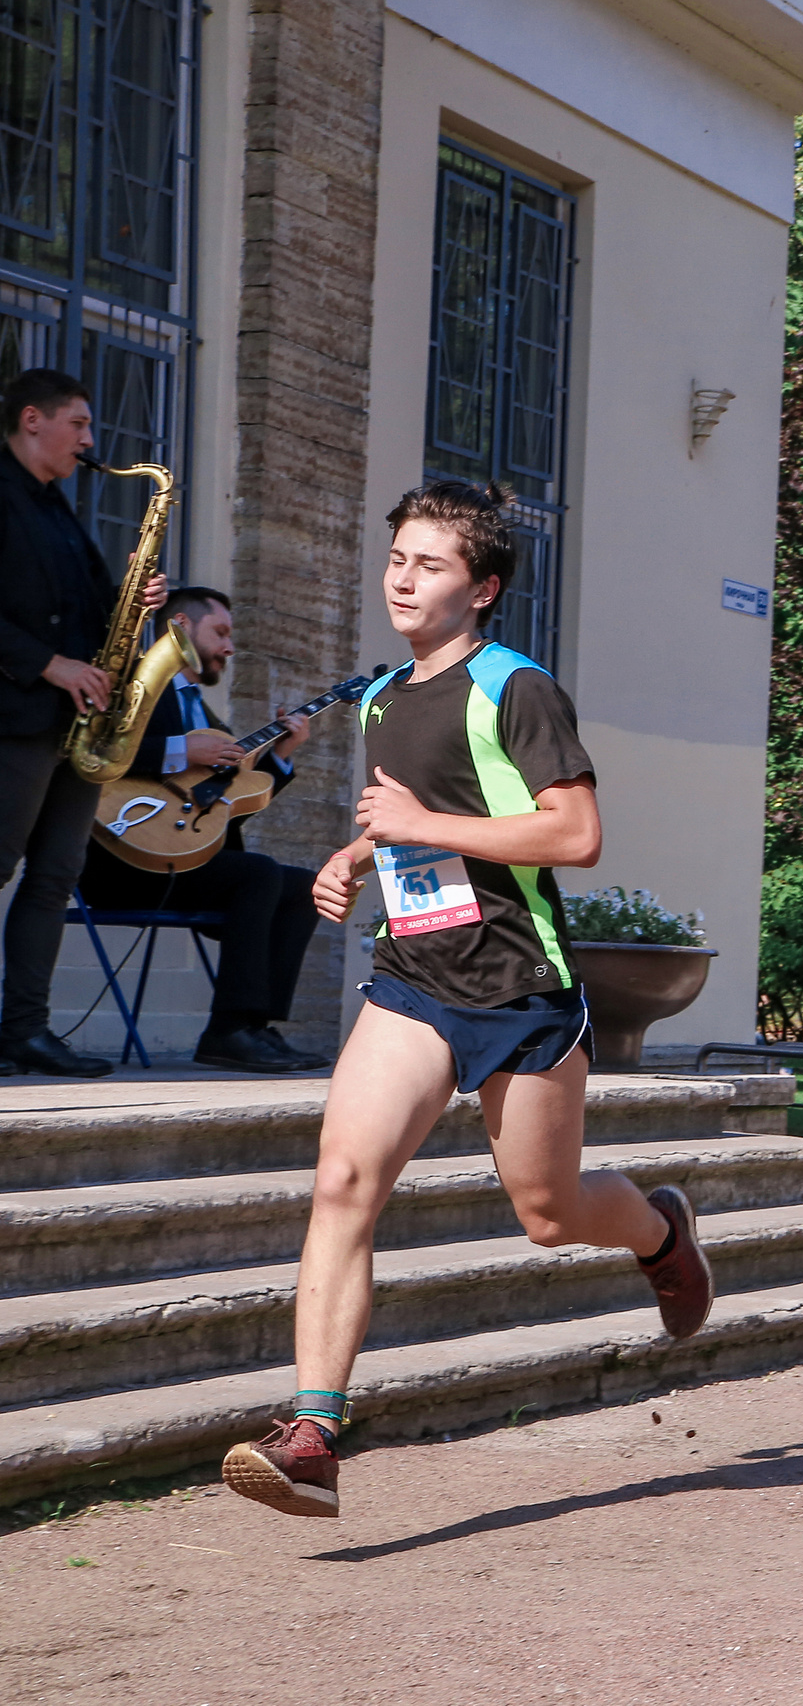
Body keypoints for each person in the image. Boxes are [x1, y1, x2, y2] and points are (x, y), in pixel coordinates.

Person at [219, 481, 713, 1519]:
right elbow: (420, 815)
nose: (404, 577)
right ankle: (313, 1432)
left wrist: (414, 824)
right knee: (344, 1177)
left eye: (431, 563)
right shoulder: (381, 697)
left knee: (548, 1213)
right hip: (412, 979)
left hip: (517, 988)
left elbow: (571, 835)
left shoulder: (517, 688)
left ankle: (661, 1233)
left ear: (481, 588)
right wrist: (358, 855)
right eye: (399, 556)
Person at [77, 587, 326, 1072]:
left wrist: (280, 757)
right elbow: (101, 756)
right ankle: (227, 1030)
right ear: (183, 629)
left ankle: (255, 1026)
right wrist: (183, 754)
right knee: (256, 874)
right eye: (222, 632)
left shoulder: (207, 718)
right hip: (121, 865)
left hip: (184, 861)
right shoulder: (139, 689)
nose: (230, 647)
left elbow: (221, 811)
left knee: (305, 888)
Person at [0, 368, 165, 1077]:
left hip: (76, 724)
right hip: (15, 715)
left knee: (54, 875)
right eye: (80, 425)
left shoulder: (61, 511)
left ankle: (24, 1029)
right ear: (32, 419)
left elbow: (101, 614)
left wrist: (140, 594)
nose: (91, 441)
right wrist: (50, 664)